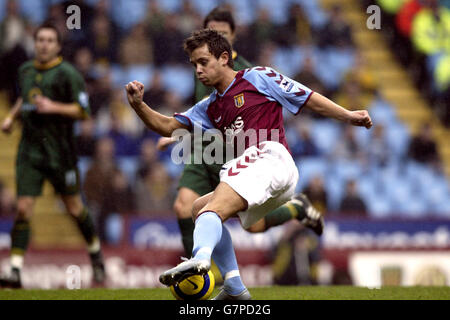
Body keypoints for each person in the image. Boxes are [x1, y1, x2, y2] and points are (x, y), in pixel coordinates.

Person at [125, 29, 372, 299]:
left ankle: (200, 259)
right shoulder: (209, 106)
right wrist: (139, 105)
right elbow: (168, 126)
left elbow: (307, 98)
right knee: (199, 209)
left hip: (272, 158)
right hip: (268, 179)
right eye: (194, 64)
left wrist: (349, 116)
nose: (198, 70)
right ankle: (234, 285)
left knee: (213, 207)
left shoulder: (257, 77)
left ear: (223, 58)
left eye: (203, 62)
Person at [157, 7, 323, 259]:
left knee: (252, 225)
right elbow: (200, 111)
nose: (216, 35)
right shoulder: (201, 67)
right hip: (203, 151)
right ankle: (198, 271)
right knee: (184, 207)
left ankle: (296, 208)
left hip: (234, 153)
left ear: (232, 36)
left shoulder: (247, 73)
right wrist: (176, 132)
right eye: (211, 31)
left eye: (222, 32)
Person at [0, 22, 105, 288]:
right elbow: (25, 97)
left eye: (49, 40)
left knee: (73, 207)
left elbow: (83, 111)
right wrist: (11, 117)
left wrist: (52, 107)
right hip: (30, 151)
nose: (44, 44)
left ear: (57, 46)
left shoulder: (68, 74)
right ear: (35, 43)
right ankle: (14, 270)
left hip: (61, 153)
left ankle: (95, 254)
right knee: (23, 208)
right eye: (40, 40)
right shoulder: (24, 70)